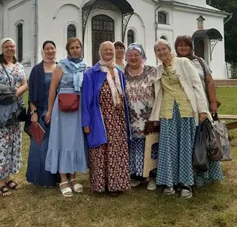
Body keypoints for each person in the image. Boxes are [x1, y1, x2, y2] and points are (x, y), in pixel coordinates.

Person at [151, 39, 223, 199]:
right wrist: (155, 116)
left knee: (186, 147)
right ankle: (170, 181)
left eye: (164, 49)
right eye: (158, 50)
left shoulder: (183, 62)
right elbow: (158, 92)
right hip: (167, 113)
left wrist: (203, 109)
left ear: (170, 49)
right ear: (155, 54)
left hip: (186, 110)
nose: (162, 52)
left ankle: (186, 183)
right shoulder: (158, 69)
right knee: (168, 148)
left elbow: (197, 84)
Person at [82, 41, 131, 197]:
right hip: (100, 119)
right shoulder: (91, 73)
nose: (109, 52)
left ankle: (116, 185)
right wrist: (86, 122)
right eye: (105, 50)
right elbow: (86, 100)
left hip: (118, 119)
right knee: (100, 151)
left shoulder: (119, 72)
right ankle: (101, 184)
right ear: (100, 52)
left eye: (111, 50)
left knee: (116, 152)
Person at [0, 38, 28, 197]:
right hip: (0, 112)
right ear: (2, 49)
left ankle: (7, 178)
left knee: (12, 144)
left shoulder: (19, 66)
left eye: (12, 46)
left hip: (14, 111)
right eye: (6, 47)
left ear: (15, 48)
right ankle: (0, 183)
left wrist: (16, 93)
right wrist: (2, 96)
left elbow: (24, 84)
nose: (10, 49)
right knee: (0, 144)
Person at [45, 37, 88, 197]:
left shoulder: (84, 66)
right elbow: (52, 89)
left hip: (78, 107)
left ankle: (74, 177)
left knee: (75, 140)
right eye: (72, 48)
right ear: (68, 50)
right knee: (62, 140)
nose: (75, 50)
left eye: (78, 47)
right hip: (62, 108)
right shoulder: (61, 66)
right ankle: (63, 178)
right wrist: (49, 110)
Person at [25, 41, 59, 187]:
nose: (50, 51)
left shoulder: (60, 67)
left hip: (58, 112)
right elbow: (31, 93)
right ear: (43, 51)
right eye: (47, 48)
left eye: (52, 48)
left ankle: (56, 178)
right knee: (39, 144)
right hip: (40, 112)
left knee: (55, 144)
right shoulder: (36, 70)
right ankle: (39, 178)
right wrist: (33, 113)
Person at [124, 43, 157, 190]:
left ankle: (152, 177)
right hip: (131, 117)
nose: (133, 58)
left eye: (136, 55)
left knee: (152, 146)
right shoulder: (121, 73)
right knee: (135, 147)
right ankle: (137, 175)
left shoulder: (151, 71)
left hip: (150, 116)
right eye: (130, 55)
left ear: (142, 56)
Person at [175, 35, 220, 114]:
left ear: (191, 47)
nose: (183, 48)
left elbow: (209, 82)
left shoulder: (200, 61)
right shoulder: (173, 62)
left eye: (186, 45)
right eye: (180, 46)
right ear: (176, 48)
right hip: (181, 104)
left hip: (201, 102)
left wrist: (213, 103)